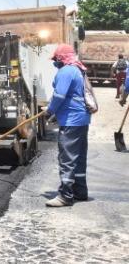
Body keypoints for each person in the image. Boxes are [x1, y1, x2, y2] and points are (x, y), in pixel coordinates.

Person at [45, 44, 91, 207]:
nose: (55, 62)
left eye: (56, 59)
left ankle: (65, 195)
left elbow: (59, 96)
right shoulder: (77, 69)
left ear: (60, 58)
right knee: (78, 156)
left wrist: (49, 111)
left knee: (67, 158)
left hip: (72, 119)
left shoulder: (65, 71)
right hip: (81, 119)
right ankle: (80, 191)